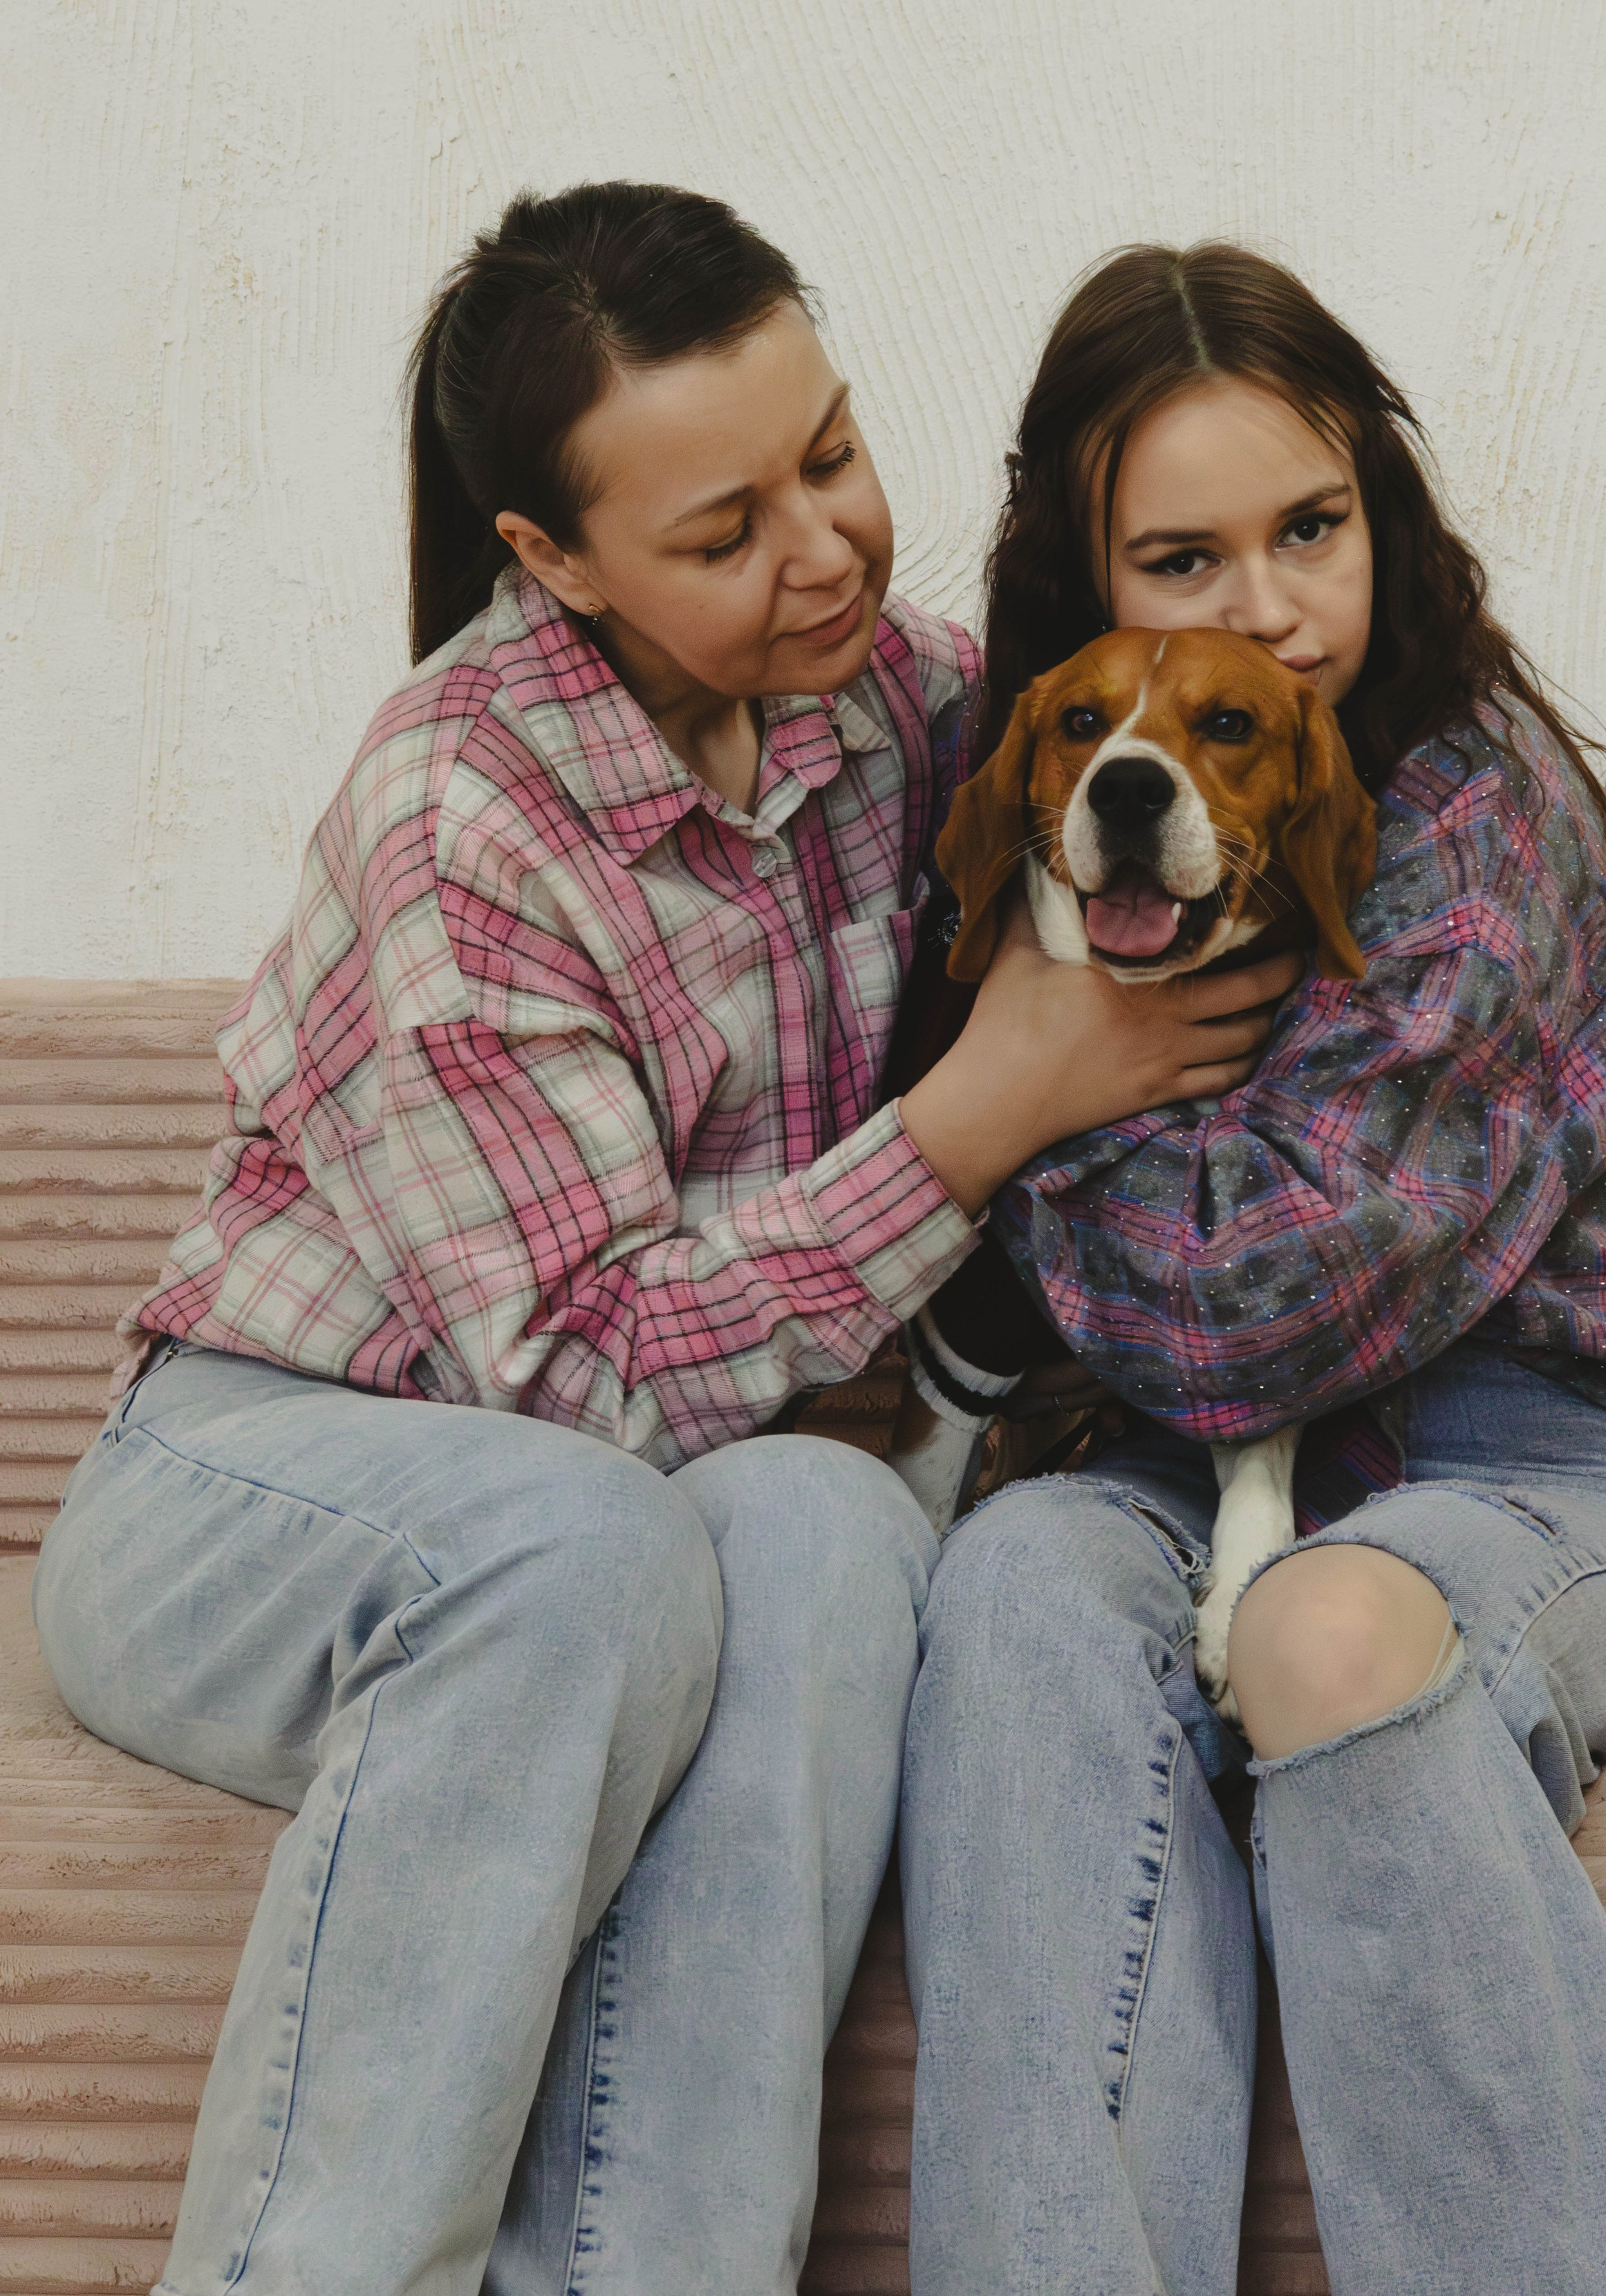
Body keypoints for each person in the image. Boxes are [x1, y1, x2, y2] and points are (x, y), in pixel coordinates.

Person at [31, 188, 1291, 2296]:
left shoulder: (900, 706)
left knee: (838, 1533)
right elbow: (575, 1392)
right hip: (268, 1479)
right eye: (723, 532)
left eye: (832, 454)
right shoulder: (464, 810)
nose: (821, 548)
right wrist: (988, 1105)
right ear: (553, 558)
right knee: (584, 1538)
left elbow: (1211, 745)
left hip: (663, 1505)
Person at [898, 242, 1606, 2295]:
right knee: (1012, 1592)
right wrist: (1017, 1067)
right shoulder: (1063, 779)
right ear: (1083, 574)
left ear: (1382, 505)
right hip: (1166, 1479)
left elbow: (1258, 1297)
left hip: (1541, 1480)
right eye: (1181, 560)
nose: (1270, 606)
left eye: (1311, 526)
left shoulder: (1478, 824)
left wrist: (1024, 1094)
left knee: (1318, 1627)